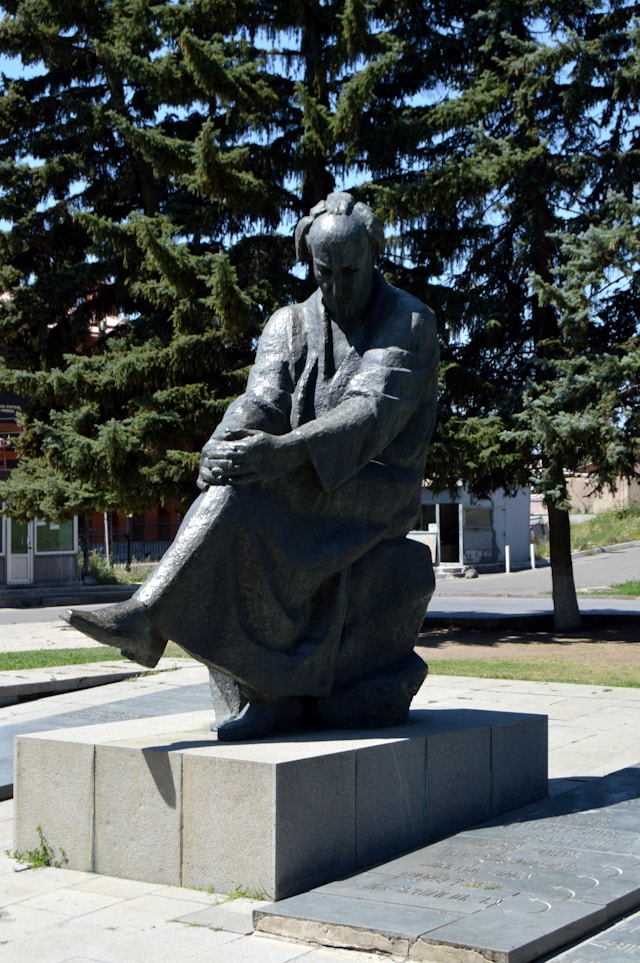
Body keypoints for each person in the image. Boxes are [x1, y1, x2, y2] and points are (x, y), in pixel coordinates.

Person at [64, 192, 439, 740]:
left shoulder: (408, 321)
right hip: (303, 475)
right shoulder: (288, 323)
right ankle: (256, 685)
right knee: (233, 487)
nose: (336, 287)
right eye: (324, 272)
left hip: (376, 486)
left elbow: (369, 413)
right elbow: (259, 402)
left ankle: (149, 617)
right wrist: (223, 445)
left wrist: (280, 453)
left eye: (350, 271)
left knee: (251, 495)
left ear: (374, 256)